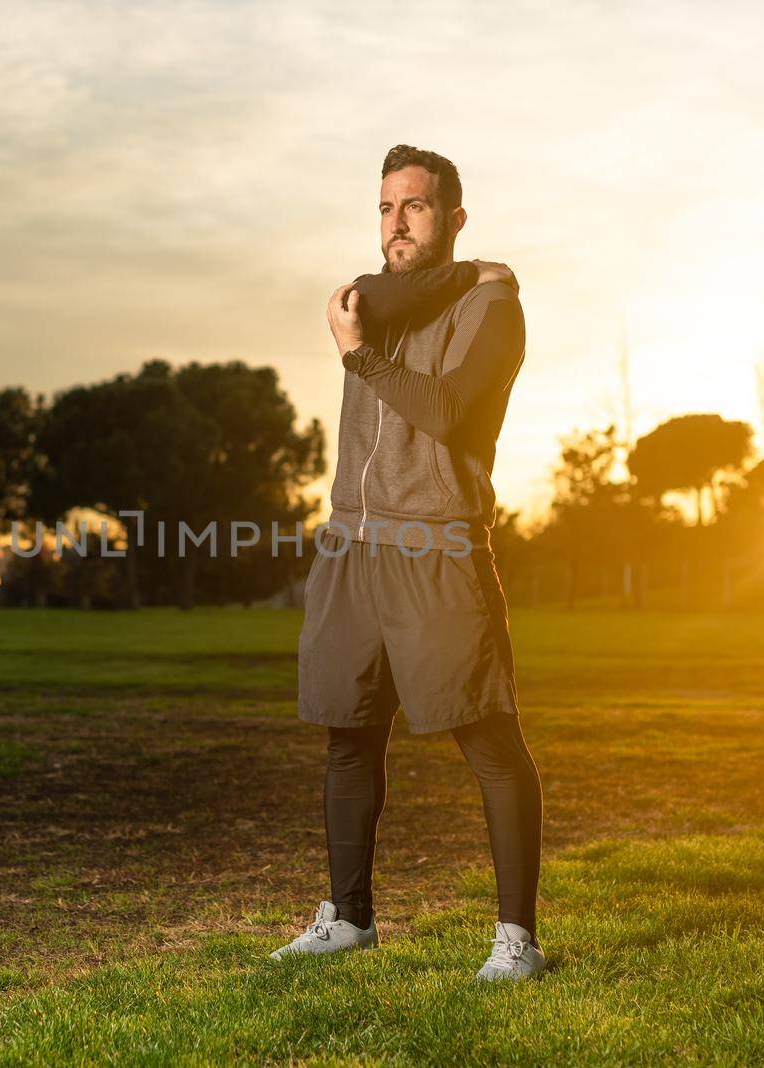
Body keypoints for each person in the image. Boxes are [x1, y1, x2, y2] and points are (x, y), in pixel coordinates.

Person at [268, 144, 546, 983]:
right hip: (352, 545)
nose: (396, 223)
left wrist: (364, 354)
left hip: (438, 543)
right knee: (348, 737)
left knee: (489, 739)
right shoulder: (382, 299)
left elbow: (452, 413)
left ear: (454, 218)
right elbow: (356, 300)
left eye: (416, 207)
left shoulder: (494, 311)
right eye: (386, 207)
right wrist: (471, 276)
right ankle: (348, 919)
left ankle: (517, 941)